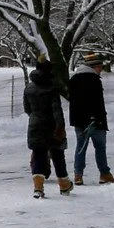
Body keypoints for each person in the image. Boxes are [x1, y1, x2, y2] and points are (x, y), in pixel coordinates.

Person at [24, 58, 70, 197]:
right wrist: (60, 126)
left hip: (34, 124)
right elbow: (57, 110)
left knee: (38, 154)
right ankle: (64, 185)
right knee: (58, 154)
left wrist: (35, 117)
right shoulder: (52, 87)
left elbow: (27, 109)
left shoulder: (29, 87)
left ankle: (38, 187)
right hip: (51, 125)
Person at [67, 60, 114, 184]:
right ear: (94, 67)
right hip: (96, 121)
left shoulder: (73, 80)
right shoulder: (94, 80)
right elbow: (98, 103)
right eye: (100, 67)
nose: (101, 70)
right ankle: (104, 173)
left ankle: (78, 175)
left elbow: (72, 102)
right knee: (100, 148)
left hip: (79, 120)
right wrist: (98, 119)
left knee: (81, 147)